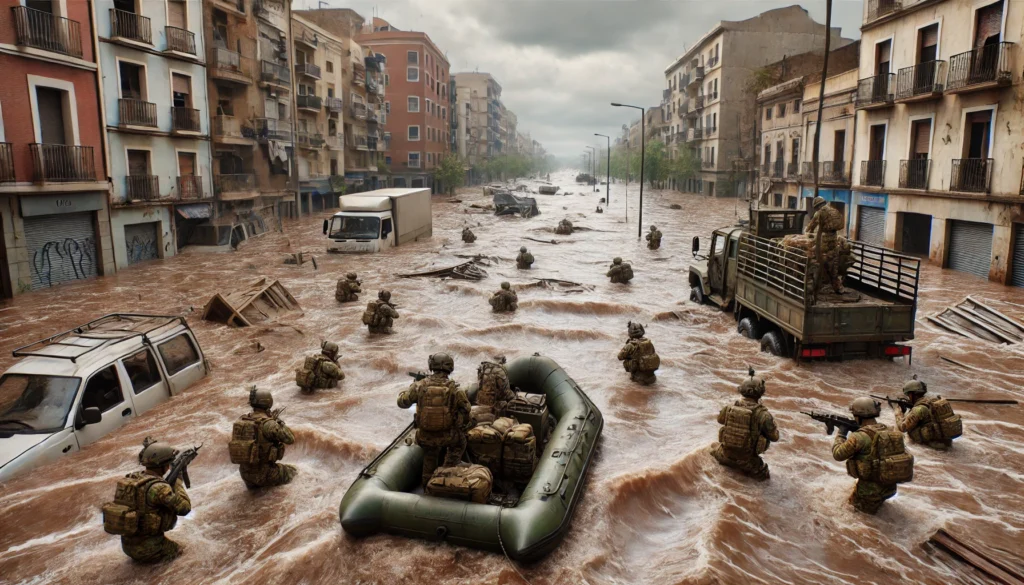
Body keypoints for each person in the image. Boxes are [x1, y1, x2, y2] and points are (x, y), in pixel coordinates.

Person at [105, 438, 192, 564]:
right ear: (164, 466)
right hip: (149, 549)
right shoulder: (160, 488)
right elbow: (185, 509)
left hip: (127, 546)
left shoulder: (132, 479)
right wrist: (178, 481)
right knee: (184, 553)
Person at [397, 353, 471, 485]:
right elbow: (466, 409)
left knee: (429, 456)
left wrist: (405, 391)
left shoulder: (419, 386)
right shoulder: (455, 388)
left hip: (425, 437)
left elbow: (402, 403)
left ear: (431, 366)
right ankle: (448, 468)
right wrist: (459, 421)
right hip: (448, 436)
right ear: (450, 367)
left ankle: (427, 485)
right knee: (460, 442)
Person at [832, 397, 914, 514]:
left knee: (857, 519)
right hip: (888, 488)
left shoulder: (858, 437)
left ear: (858, 416)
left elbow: (838, 454)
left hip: (868, 493)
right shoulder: (889, 430)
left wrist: (841, 433)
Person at [710, 369, 779, 480]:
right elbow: (775, 437)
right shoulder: (764, 415)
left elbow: (720, 420)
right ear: (760, 393)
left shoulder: (729, 408)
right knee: (766, 482)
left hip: (724, 456)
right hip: (748, 463)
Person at [229, 388, 296, 488]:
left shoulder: (241, 420)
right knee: (295, 472)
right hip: (266, 474)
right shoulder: (268, 424)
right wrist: (278, 422)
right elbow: (290, 439)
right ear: (268, 402)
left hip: (245, 475)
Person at [894, 377, 962, 450]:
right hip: (946, 441)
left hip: (931, 446)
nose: (908, 397)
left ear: (912, 394)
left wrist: (899, 414)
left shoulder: (919, 409)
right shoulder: (932, 401)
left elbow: (903, 428)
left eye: (908, 395)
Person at [806, 196, 846, 294]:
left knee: (813, 260)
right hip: (834, 241)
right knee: (834, 266)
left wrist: (807, 234)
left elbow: (810, 227)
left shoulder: (819, 213)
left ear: (817, 206)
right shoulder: (834, 210)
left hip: (823, 242)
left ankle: (814, 286)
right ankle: (837, 288)